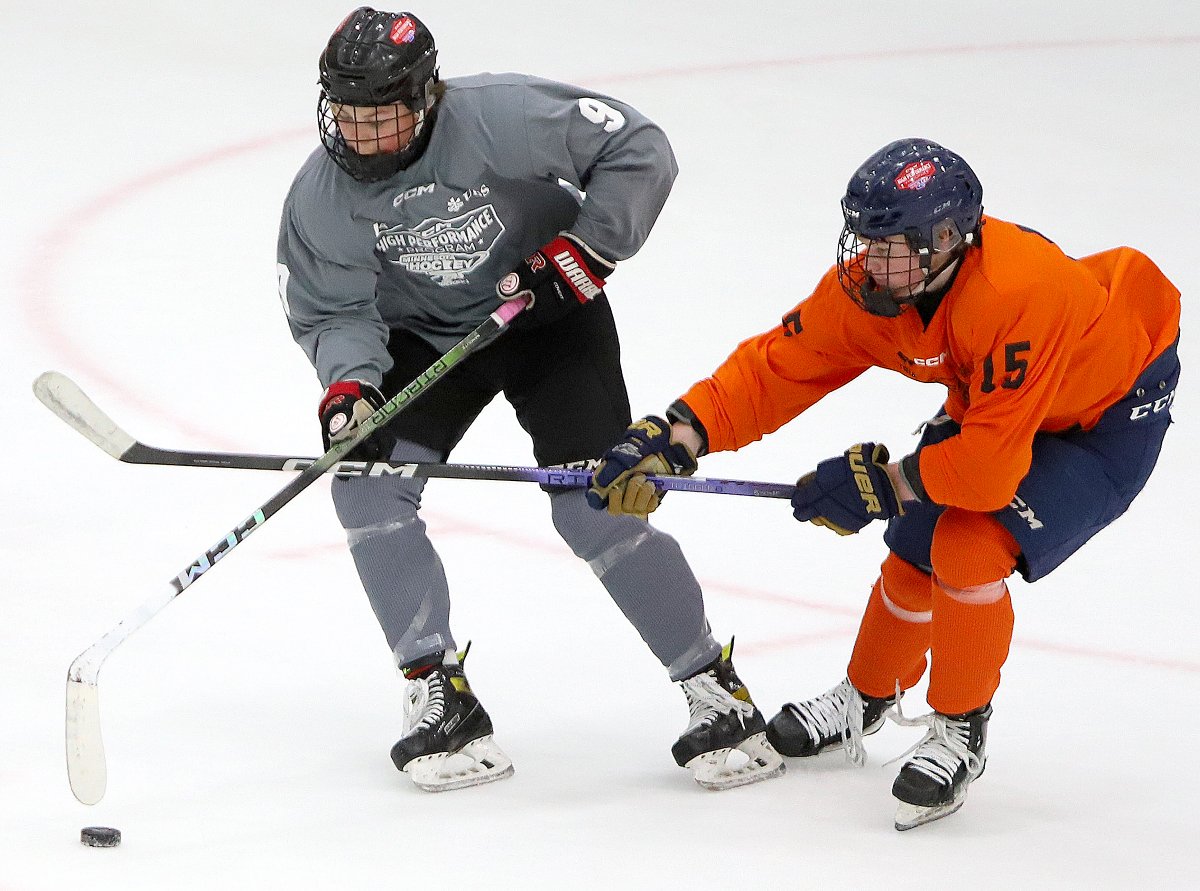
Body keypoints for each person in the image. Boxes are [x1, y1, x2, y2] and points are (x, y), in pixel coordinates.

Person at [587, 137, 1181, 829]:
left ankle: (961, 728)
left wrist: (883, 483)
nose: (869, 259)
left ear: (948, 238)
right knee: (915, 542)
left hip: (1104, 415)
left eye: (890, 243)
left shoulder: (1019, 293)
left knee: (967, 543)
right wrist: (677, 436)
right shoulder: (884, 287)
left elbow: (988, 472)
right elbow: (781, 366)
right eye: (864, 238)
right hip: (1009, 398)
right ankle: (866, 696)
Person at [275, 7, 784, 793]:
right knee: (367, 487)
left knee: (594, 503)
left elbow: (638, 147)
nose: (361, 137)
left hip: (550, 318)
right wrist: (351, 392)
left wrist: (587, 250)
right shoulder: (321, 196)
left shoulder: (500, 114)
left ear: (427, 97)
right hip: (432, 341)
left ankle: (715, 692)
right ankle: (440, 697)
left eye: (381, 117)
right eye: (347, 116)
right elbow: (331, 310)